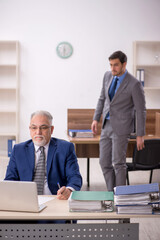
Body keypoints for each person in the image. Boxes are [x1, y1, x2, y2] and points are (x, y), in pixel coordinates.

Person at [91, 50, 146, 191]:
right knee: (104, 162)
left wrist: (140, 135)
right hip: (106, 126)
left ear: (124, 64)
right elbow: (102, 98)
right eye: (110, 65)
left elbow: (141, 110)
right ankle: (112, 193)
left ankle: (120, 197)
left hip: (122, 128)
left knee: (119, 163)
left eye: (115, 65)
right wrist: (95, 119)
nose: (112, 68)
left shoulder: (134, 84)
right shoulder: (107, 76)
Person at [5, 110, 82, 200]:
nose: (38, 132)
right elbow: (10, 180)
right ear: (30, 129)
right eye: (34, 128)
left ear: (51, 129)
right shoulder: (18, 150)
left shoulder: (66, 148)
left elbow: (75, 177)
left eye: (43, 127)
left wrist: (69, 190)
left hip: (56, 198)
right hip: (26, 199)